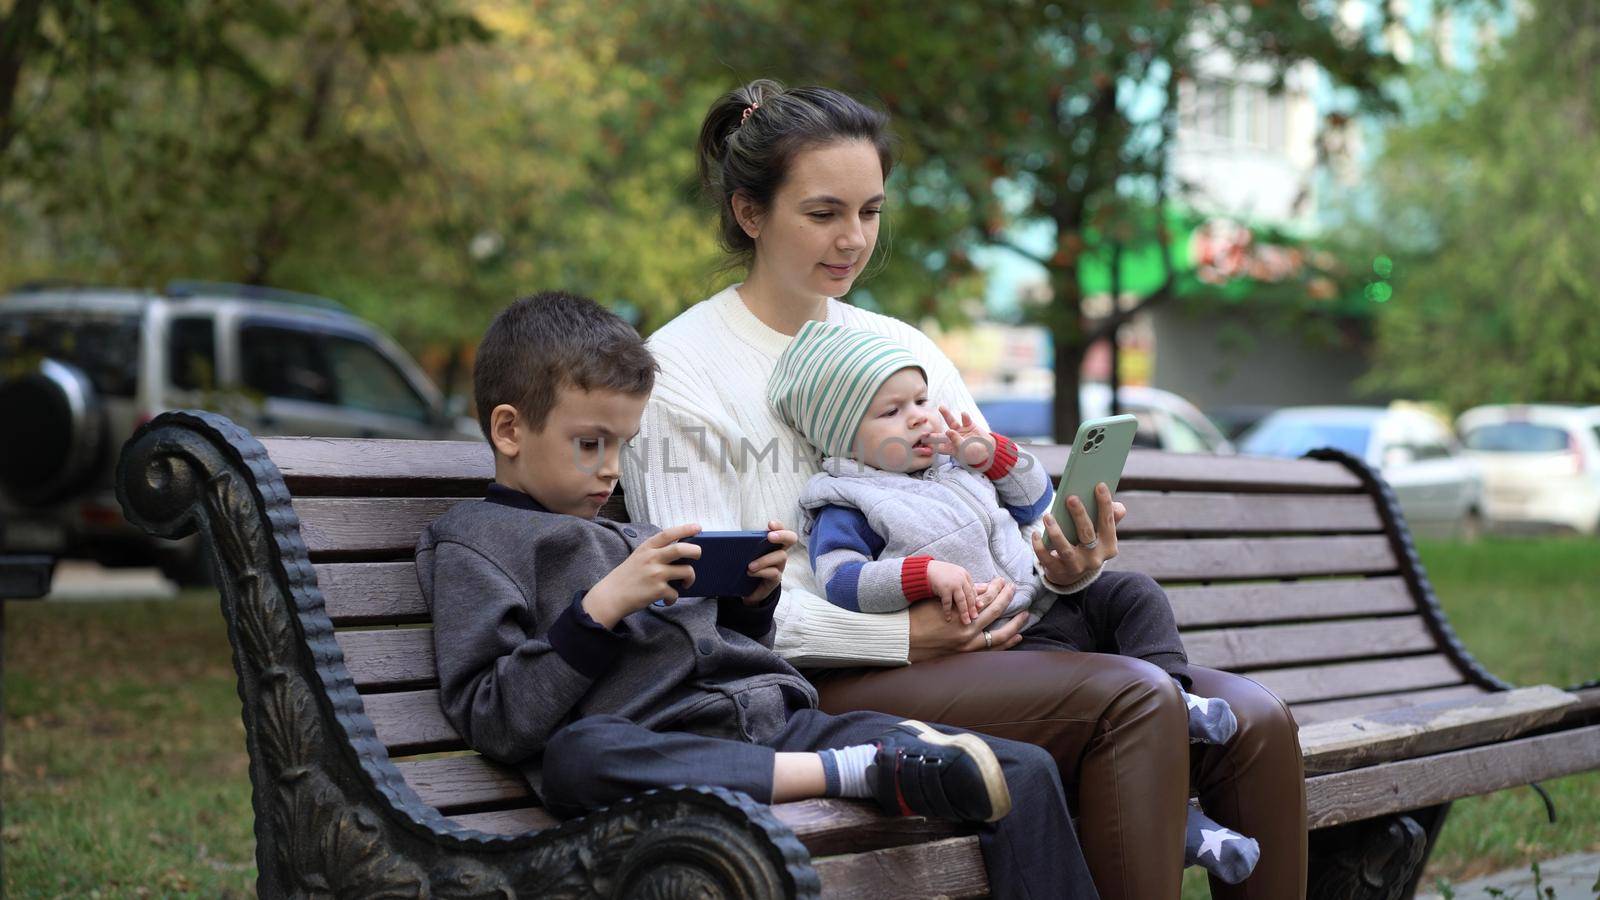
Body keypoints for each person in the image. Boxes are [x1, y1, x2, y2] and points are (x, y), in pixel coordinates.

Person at [620, 78, 1308, 900]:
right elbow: (706, 613)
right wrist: (903, 638)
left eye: (871, 211)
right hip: (819, 683)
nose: (853, 240)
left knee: (1261, 722)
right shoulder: (680, 375)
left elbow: (988, 513)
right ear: (750, 213)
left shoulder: (900, 348)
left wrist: (1062, 564)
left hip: (988, 640)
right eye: (824, 213)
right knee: (1134, 698)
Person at [416, 291, 1098, 898]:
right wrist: (599, 610)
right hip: (658, 745)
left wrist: (751, 598)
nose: (611, 470)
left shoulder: (626, 532)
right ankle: (853, 772)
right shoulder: (477, 542)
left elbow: (726, 649)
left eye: (622, 445)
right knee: (577, 759)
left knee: (1020, 770)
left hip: (776, 725)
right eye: (590, 444)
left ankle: (859, 766)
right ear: (509, 430)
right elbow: (498, 719)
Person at [768, 320, 1260, 884]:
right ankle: (1181, 820)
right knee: (1103, 701)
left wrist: (991, 453)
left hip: (1048, 595)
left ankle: (1179, 698)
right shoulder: (847, 501)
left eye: (922, 400)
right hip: (1005, 641)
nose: (919, 417)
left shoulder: (956, 464)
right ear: (841, 437)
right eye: (891, 411)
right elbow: (844, 582)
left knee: (1134, 593)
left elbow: (1035, 499)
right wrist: (922, 574)